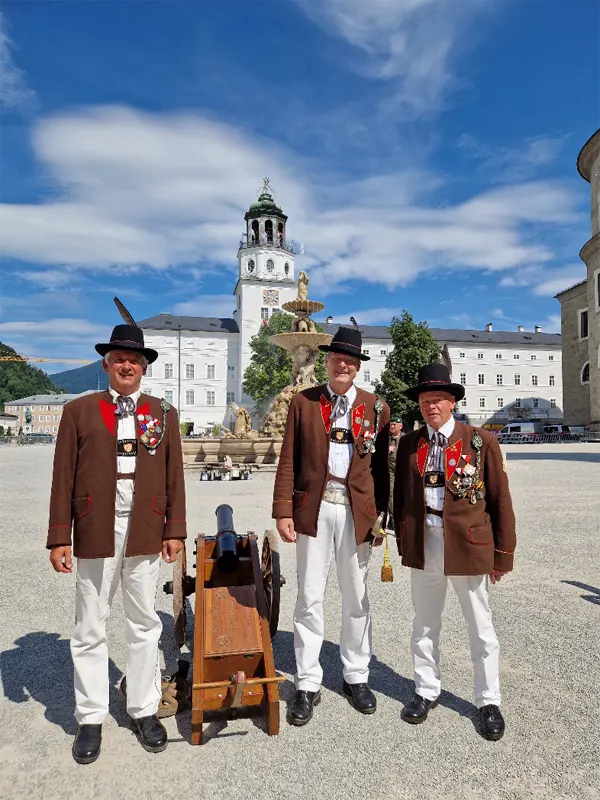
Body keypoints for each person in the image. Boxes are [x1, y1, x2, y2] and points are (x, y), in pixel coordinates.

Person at [47, 302, 187, 764]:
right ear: (106, 364)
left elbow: (174, 478)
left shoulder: (162, 413)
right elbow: (62, 475)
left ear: (144, 367)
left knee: (144, 621)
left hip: (146, 525)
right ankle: (90, 717)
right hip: (94, 526)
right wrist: (59, 536)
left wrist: (175, 530)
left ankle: (143, 708)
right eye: (119, 358)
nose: (127, 365)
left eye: (135, 359)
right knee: (90, 624)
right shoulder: (79, 411)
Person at [272, 326, 390, 726]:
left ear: (357, 367)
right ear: (326, 361)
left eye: (351, 360)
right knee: (309, 596)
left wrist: (382, 515)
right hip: (315, 508)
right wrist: (283, 510)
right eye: (337, 358)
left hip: (357, 511)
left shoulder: (376, 407)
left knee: (356, 596)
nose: (344, 364)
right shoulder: (304, 403)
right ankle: (307, 681)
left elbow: (381, 470)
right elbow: (288, 457)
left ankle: (356, 675)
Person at [393, 363, 515, 741]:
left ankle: (487, 699)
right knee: (425, 623)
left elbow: (499, 500)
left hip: (466, 544)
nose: (431, 406)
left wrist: (501, 555)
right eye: (425, 400)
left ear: (452, 402)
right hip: (426, 542)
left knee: (480, 626)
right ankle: (426, 689)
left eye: (438, 399)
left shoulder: (479, 441)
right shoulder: (412, 444)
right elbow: (401, 499)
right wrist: (403, 541)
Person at [387, 415, 403, 529]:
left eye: (394, 424)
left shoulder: (406, 439)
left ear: (400, 426)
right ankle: (393, 518)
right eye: (391, 424)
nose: (392, 426)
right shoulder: (385, 439)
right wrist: (386, 450)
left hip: (402, 469)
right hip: (390, 469)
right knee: (391, 492)